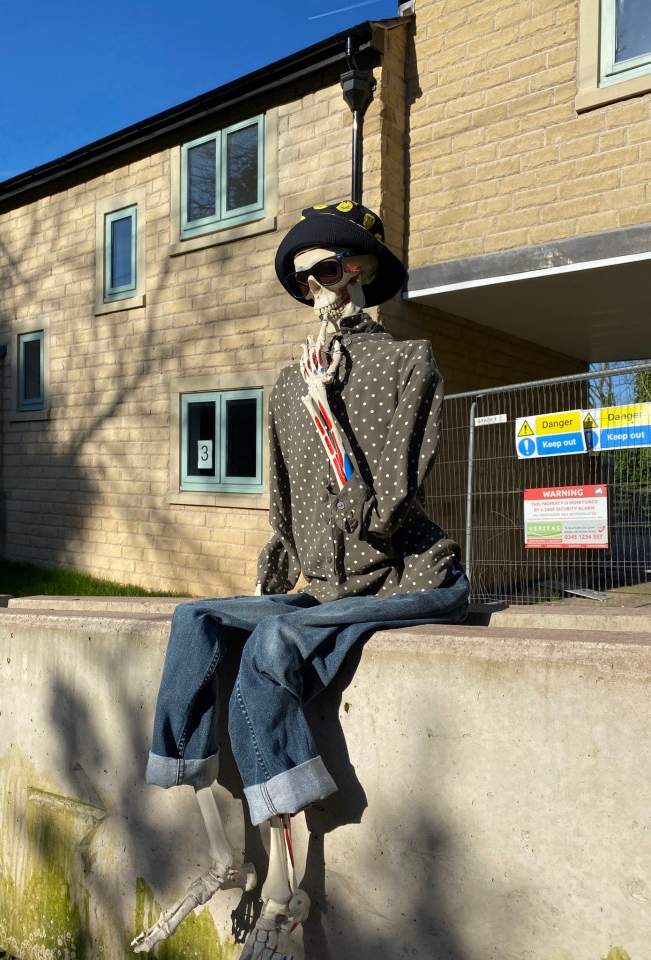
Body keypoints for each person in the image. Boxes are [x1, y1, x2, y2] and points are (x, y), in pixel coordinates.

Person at [133, 200, 469, 960]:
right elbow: (285, 517)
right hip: (320, 583)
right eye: (302, 277)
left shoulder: (408, 366)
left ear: (364, 272)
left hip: (401, 573)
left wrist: (327, 414)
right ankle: (218, 848)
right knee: (196, 621)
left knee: (273, 650)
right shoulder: (286, 384)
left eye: (328, 269)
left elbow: (383, 513)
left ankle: (286, 895)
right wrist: (268, 583)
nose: (318, 289)